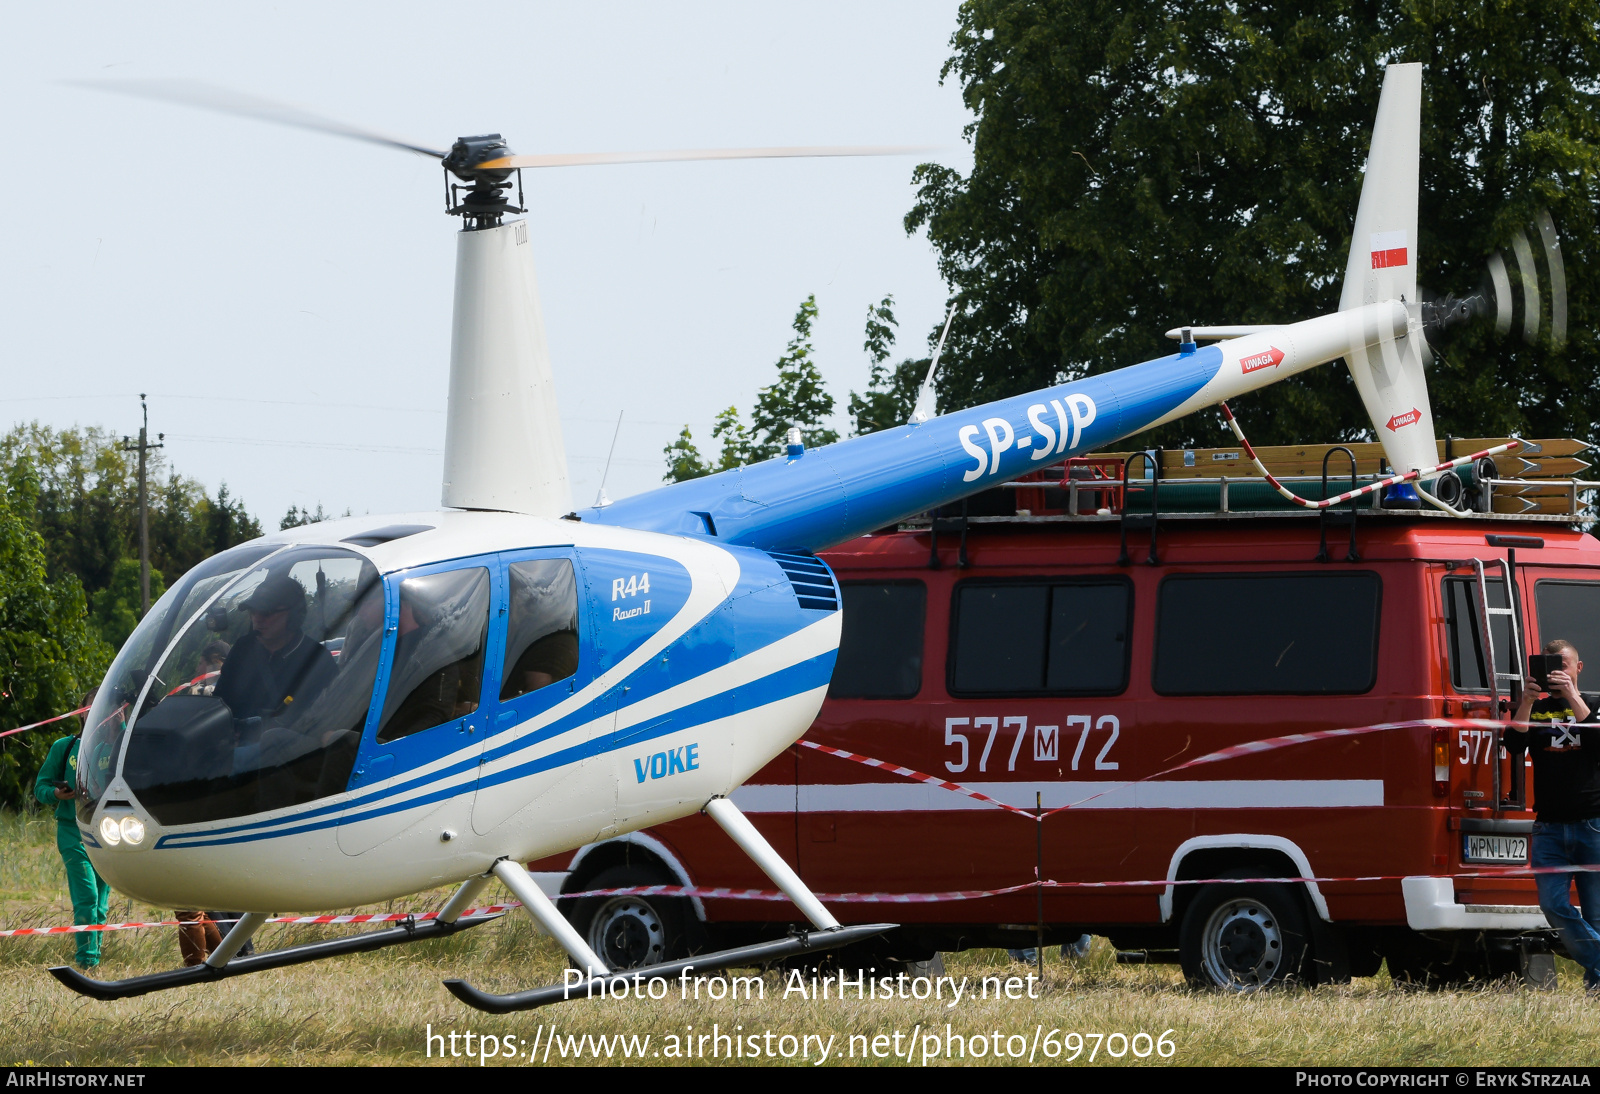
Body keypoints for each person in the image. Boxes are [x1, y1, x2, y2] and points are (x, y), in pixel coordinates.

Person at [1508, 638, 1600, 992]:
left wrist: (1574, 698)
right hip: (1548, 827)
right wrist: (1527, 702)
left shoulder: (1593, 704)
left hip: (1591, 823)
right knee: (1552, 904)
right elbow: (1514, 744)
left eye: (1564, 665)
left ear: (1579, 668)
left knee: (1595, 914)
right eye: (1550, 666)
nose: (1557, 672)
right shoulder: (1537, 708)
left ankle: (1596, 987)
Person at [33, 694, 112, 969]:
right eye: (93, 705)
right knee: (87, 897)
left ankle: (96, 956)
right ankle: (87, 960)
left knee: (102, 903)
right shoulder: (64, 747)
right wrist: (56, 793)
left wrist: (122, 726)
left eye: (108, 704)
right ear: (81, 712)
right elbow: (40, 788)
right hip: (72, 832)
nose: (100, 710)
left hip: (107, 833)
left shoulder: (116, 746)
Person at [216, 573, 336, 723]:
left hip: (290, 743)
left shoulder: (316, 659)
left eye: (267, 612)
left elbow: (325, 718)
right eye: (253, 611)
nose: (257, 619)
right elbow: (219, 702)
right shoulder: (243, 648)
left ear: (294, 615)